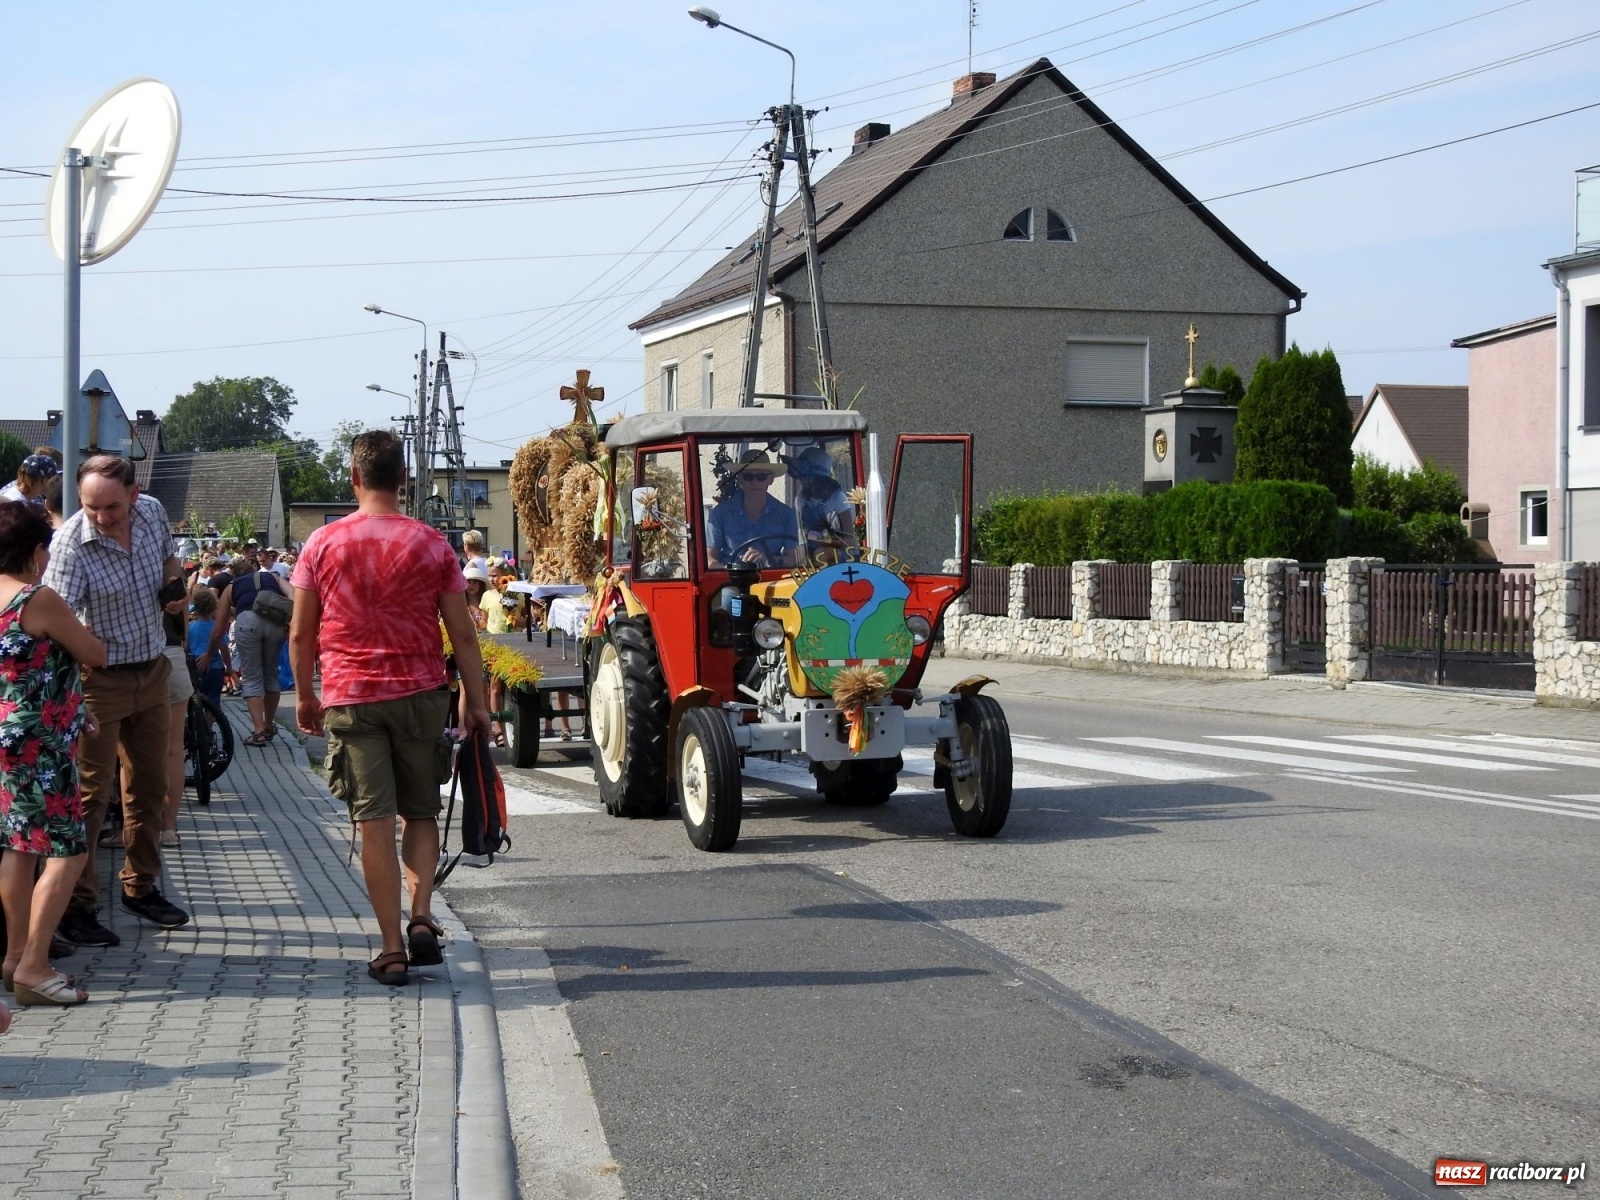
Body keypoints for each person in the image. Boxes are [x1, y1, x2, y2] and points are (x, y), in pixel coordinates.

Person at [291, 430, 489, 987]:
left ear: (354, 480)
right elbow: (463, 635)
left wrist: (306, 694)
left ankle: (390, 947)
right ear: (403, 480)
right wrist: (475, 701)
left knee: (372, 822)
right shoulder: (431, 543)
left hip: (354, 698)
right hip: (421, 695)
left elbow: (301, 632)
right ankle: (422, 914)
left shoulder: (323, 544)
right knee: (420, 810)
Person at [42, 454, 190, 944]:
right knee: (89, 798)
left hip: (149, 667)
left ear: (133, 492)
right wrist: (74, 690)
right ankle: (78, 906)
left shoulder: (149, 512)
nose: (102, 518)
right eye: (91, 508)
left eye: (111, 507)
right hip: (97, 680)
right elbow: (55, 621)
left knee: (148, 788)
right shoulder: (70, 543)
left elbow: (171, 557)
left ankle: (140, 886)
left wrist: (175, 587)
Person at [0, 501, 106, 1006]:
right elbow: (93, 652)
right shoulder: (35, 598)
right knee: (69, 852)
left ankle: (14, 954)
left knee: (19, 848)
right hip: (39, 746)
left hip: (6, 739)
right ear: (37, 552)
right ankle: (36, 967)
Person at [214, 560, 290, 747]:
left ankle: (258, 733)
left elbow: (218, 629)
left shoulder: (231, 587)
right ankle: (269, 725)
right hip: (274, 622)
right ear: (254, 569)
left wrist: (210, 653)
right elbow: (294, 593)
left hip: (247, 622)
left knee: (252, 677)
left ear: (234, 575)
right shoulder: (272, 576)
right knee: (271, 673)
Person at [707, 450, 800, 567]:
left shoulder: (787, 515)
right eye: (748, 477)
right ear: (739, 479)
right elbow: (708, 557)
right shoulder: (720, 513)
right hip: (731, 581)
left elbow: (795, 558)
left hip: (772, 580)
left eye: (761, 477)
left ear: (770, 480)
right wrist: (728, 570)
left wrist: (768, 559)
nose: (755, 482)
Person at [791, 445, 858, 559]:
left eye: (803, 475)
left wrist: (822, 539)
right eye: (800, 475)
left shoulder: (838, 498)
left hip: (841, 557)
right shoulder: (800, 500)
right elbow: (800, 535)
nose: (800, 479)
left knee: (821, 553)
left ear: (816, 478)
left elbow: (850, 540)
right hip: (810, 554)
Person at [187, 587, 225, 704]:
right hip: (216, 667)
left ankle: (199, 721)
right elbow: (224, 648)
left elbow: (186, 648)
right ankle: (208, 722)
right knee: (213, 700)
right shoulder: (218, 627)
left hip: (197, 667)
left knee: (197, 700)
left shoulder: (190, 627)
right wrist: (229, 667)